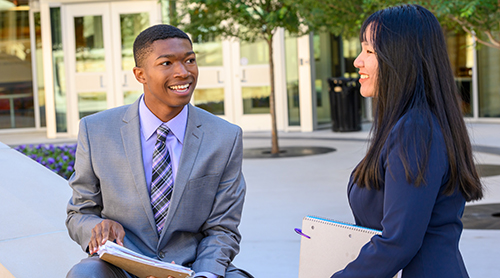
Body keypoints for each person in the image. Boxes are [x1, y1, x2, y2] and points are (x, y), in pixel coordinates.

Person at [66, 24, 252, 278]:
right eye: (167, 63)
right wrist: (96, 227)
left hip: (192, 265)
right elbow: (80, 212)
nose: (183, 72)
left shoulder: (224, 137)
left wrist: (203, 274)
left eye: (189, 60)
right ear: (140, 74)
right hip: (123, 265)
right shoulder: (96, 130)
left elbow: (223, 228)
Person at [332, 5, 483, 278]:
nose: (357, 61)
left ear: (399, 59)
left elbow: (398, 242)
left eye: (369, 51)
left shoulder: (415, 131)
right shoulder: (413, 123)